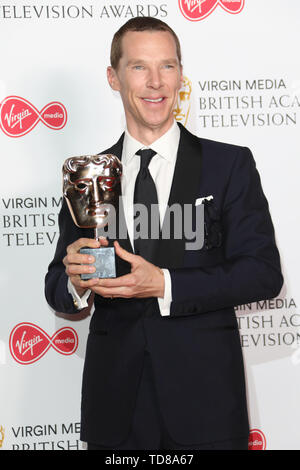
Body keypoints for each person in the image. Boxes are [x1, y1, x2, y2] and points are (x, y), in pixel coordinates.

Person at [45, 17, 283, 450]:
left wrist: (165, 284)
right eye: (139, 67)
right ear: (113, 77)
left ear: (180, 73)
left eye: (167, 66)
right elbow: (56, 288)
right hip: (115, 408)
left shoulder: (228, 166)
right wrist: (76, 282)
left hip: (207, 405)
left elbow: (263, 273)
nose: (156, 83)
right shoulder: (89, 175)